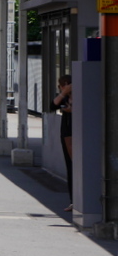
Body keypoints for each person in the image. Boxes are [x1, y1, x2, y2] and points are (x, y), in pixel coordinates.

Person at [53, 74, 74, 212]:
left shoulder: (77, 96)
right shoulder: (64, 97)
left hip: (70, 134)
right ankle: (74, 200)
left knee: (73, 166)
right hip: (66, 132)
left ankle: (76, 201)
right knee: (70, 167)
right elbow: (54, 104)